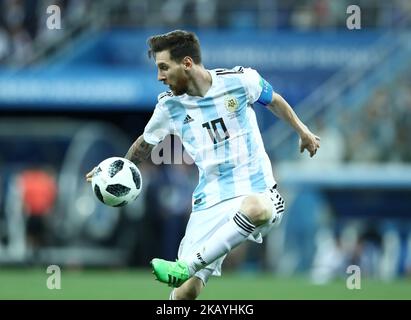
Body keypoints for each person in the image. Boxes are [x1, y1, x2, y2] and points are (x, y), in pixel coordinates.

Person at [86, 30, 320, 300]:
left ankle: (188, 266)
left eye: (164, 67)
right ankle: (188, 273)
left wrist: (303, 131)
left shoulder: (240, 81)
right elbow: (145, 144)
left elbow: (274, 100)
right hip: (209, 200)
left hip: (256, 188)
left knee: (257, 208)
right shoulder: (169, 107)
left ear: (186, 63)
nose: (160, 77)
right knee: (186, 292)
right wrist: (116, 171)